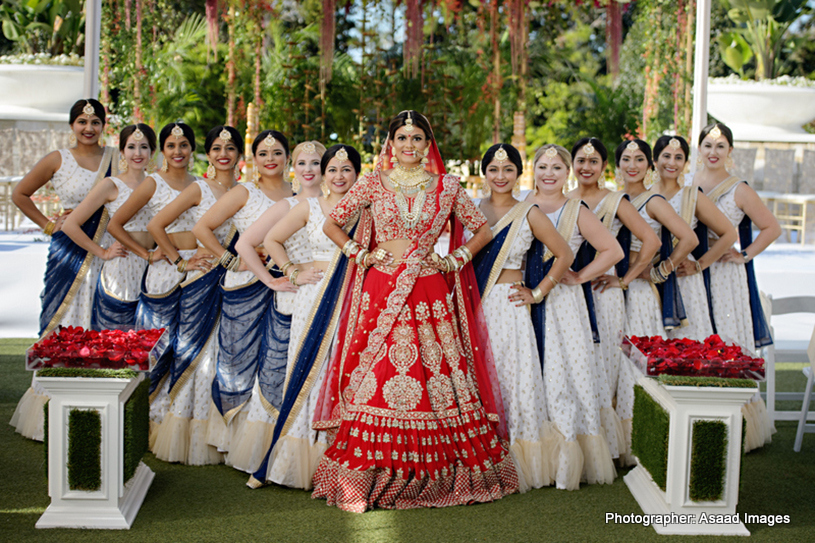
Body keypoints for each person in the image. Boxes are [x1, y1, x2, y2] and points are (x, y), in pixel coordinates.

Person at [311, 111, 519, 512]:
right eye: (402, 137)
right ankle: (373, 471)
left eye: (417, 138)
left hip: (428, 290)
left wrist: (455, 259)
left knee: (435, 373)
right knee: (378, 371)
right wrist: (363, 255)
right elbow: (333, 223)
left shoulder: (448, 186)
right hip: (381, 288)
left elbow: (482, 231)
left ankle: (434, 470)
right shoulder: (372, 182)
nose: (409, 145)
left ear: (428, 144)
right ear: (391, 143)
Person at [248, 144, 360, 490]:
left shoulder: (365, 211)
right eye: (333, 170)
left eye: (346, 170)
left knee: (342, 370)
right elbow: (271, 239)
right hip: (313, 296)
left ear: (358, 174)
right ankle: (294, 458)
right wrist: (292, 273)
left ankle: (338, 457)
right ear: (324, 175)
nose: (339, 176)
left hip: (351, 296)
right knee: (307, 369)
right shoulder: (309, 207)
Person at [10, 98, 117, 441]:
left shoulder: (116, 158)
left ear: (104, 125)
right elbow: (20, 193)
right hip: (67, 251)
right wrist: (47, 225)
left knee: (100, 320)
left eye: (95, 122)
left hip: (107, 249)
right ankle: (49, 410)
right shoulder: (58, 159)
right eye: (82, 122)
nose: (88, 129)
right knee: (62, 317)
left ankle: (97, 406)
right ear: (71, 125)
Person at [471, 143, 573, 491]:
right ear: (484, 172)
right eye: (493, 170)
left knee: (514, 380)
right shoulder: (469, 210)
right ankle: (480, 455)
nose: (500, 177)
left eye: (508, 170)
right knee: (479, 375)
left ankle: (517, 459)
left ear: (518, 173)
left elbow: (564, 254)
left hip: (512, 308)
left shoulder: (529, 212)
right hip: (477, 305)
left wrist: (538, 292)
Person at [525, 144, 624, 490]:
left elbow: (613, 250)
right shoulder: (522, 204)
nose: (549, 173)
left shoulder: (575, 209)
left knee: (564, 370)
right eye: (543, 166)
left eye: (556, 167)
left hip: (564, 303)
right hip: (526, 298)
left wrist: (581, 276)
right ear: (532, 169)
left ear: (566, 173)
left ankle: (568, 452)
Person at [193, 130, 296, 454]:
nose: (270, 159)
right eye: (263, 154)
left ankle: (263, 439)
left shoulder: (297, 193)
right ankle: (230, 439)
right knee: (238, 358)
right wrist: (231, 261)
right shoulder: (244, 192)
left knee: (275, 359)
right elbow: (202, 228)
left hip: (285, 288)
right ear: (253, 159)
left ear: (287, 158)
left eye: (277, 153)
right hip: (244, 286)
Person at [228, 141, 326, 472]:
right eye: (302, 163)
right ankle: (280, 453)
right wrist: (274, 278)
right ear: (293, 168)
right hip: (293, 295)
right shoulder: (287, 205)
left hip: (328, 293)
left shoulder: (336, 203)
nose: (309, 169)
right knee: (283, 371)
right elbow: (244, 243)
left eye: (316, 162)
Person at [147, 125, 242, 465]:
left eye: (230, 148)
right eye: (216, 147)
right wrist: (180, 261)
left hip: (237, 283)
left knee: (226, 355)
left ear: (240, 155)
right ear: (208, 153)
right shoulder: (200, 189)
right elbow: (156, 225)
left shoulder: (248, 191)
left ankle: (223, 432)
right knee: (196, 355)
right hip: (202, 281)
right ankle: (187, 432)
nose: (223, 154)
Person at [566, 137, 660, 466]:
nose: (586, 167)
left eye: (593, 162)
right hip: (569, 295)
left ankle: (607, 445)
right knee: (578, 364)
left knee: (604, 363)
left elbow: (651, 240)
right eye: (581, 160)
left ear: (604, 167)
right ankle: (583, 440)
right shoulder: (563, 199)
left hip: (604, 294)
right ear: (572, 164)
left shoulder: (615, 200)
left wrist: (624, 278)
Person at [108, 122, 198, 440]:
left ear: (192, 149)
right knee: (157, 345)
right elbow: (115, 224)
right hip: (163, 274)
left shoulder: (200, 184)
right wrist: (147, 255)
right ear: (162, 150)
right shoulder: (153, 183)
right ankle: (139, 420)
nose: (177, 151)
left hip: (197, 274)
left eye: (184, 144)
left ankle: (170, 423)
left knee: (187, 347)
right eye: (171, 145)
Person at [694, 123, 781, 452]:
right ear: (699, 150)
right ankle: (703, 421)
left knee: (730, 338)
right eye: (707, 145)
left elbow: (771, 227)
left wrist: (745, 254)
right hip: (695, 269)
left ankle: (740, 429)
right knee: (701, 340)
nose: (713, 152)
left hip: (727, 275)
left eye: (720, 146)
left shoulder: (738, 189)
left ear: (730, 151)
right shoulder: (690, 185)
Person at [62, 124, 157, 330]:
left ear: (153, 151)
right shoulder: (111, 185)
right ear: (122, 151)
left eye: (144, 147)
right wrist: (103, 253)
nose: (138, 153)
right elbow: (70, 225)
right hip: (122, 268)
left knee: (148, 343)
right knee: (117, 344)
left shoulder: (159, 185)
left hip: (154, 266)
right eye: (131, 147)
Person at [651, 135, 737, 340]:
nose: (672, 163)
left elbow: (729, 234)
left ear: (686, 163)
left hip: (683, 280)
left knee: (686, 347)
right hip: (646, 277)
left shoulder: (692, 196)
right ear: (654, 160)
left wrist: (699, 265)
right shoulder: (642, 195)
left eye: (679, 158)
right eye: (666, 156)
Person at [613, 140, 698, 339]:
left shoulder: (654, 201)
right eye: (626, 159)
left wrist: (661, 271)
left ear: (650, 166)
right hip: (611, 282)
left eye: (639, 159)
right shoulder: (611, 199)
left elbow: (689, 239)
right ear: (618, 166)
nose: (632, 166)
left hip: (638, 287)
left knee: (638, 354)